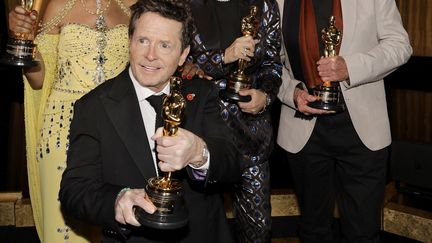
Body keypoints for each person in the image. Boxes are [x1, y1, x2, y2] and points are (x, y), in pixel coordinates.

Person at [59, 0, 241, 242]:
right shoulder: (94, 106)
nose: (150, 55)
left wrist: (200, 152)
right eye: (143, 40)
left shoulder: (202, 93)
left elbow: (232, 162)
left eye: (164, 45)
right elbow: (74, 190)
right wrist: (118, 199)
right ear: (130, 41)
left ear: (183, 54)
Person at [276, 0, 412, 242]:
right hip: (303, 132)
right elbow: (271, 62)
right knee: (312, 231)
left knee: (362, 233)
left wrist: (351, 67)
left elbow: (400, 45)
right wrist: (292, 93)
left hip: (363, 132)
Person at [8, 0, 135, 241]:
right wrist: (24, 39)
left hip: (118, 131)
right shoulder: (56, 4)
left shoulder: (134, 6)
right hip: (62, 132)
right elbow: (38, 80)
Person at [182, 0, 282, 242]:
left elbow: (272, 64)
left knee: (258, 230)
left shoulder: (264, 5)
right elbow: (174, 58)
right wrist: (224, 56)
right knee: (199, 227)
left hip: (251, 136)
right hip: (199, 136)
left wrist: (265, 97)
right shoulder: (185, 5)